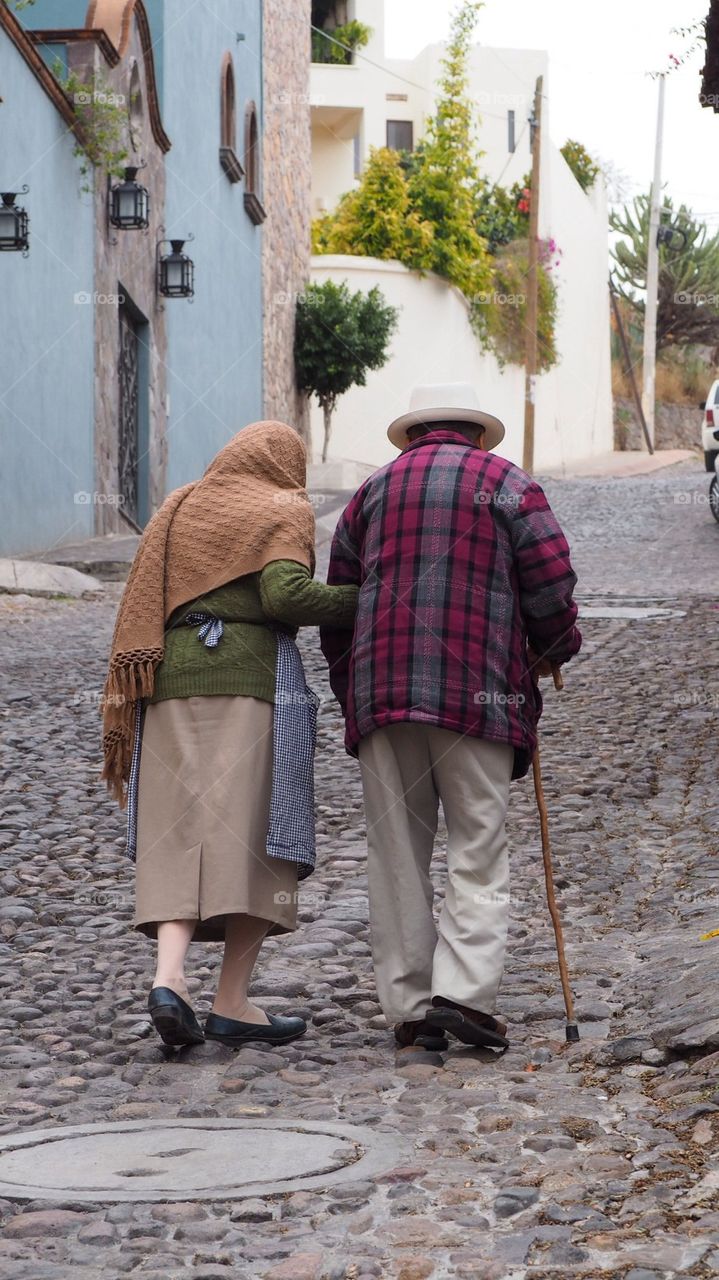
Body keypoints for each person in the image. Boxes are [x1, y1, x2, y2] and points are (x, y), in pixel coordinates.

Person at [320, 384, 581, 1059]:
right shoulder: (505, 481)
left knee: (395, 854)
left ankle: (409, 1008)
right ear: (476, 433)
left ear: (412, 434)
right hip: (478, 694)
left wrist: (354, 687)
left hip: (383, 693)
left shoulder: (372, 491)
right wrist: (552, 647)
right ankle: (462, 997)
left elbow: (339, 602)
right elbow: (550, 579)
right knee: (477, 846)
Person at [102, 421, 357, 1049]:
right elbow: (283, 594)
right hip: (251, 679)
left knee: (176, 828)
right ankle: (232, 1001)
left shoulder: (179, 503)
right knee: (258, 835)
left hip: (164, 678)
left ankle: (170, 980)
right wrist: (365, 597)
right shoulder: (282, 504)